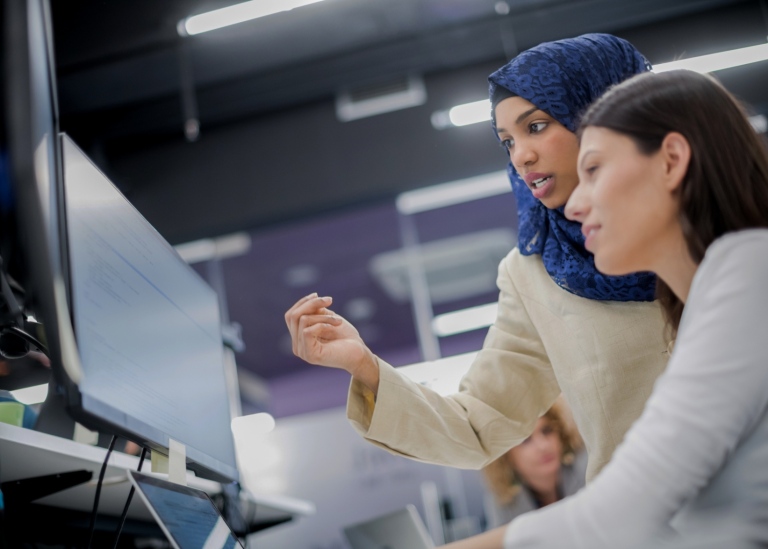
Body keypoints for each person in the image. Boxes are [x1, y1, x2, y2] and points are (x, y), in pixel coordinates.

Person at [285, 34, 670, 485]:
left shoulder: (720, 218)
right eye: (506, 140)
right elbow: (477, 425)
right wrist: (363, 365)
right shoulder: (535, 275)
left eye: (537, 125)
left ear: (601, 114)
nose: (521, 155)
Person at [446, 69, 768, 549]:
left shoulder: (748, 272)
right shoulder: (706, 298)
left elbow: (620, 512)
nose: (575, 205)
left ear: (671, 160)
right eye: (507, 142)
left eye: (594, 169)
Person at [482, 400, 586, 529]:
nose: (543, 446)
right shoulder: (504, 502)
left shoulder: (587, 469)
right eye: (526, 440)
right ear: (506, 457)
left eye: (547, 430)